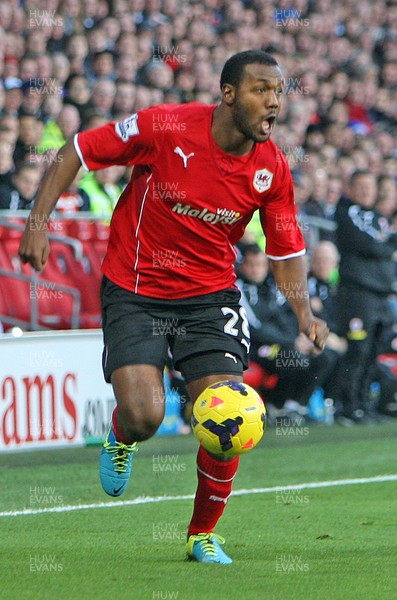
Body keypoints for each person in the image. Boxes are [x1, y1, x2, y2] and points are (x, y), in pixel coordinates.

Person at [18, 50, 328, 564]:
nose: (274, 102)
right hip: (136, 287)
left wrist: (303, 313)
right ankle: (123, 436)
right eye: (261, 90)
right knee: (145, 416)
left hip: (210, 296)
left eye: (278, 92)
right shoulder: (166, 126)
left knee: (228, 415)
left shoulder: (271, 167)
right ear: (228, 94)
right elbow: (77, 148)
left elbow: (286, 249)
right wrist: (37, 222)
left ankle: (201, 534)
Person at [334, 169, 397, 424]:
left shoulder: (378, 218)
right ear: (350, 188)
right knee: (357, 351)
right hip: (359, 295)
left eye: (369, 186)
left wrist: (387, 243)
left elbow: (383, 245)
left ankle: (363, 404)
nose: (365, 191)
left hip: (381, 296)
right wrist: (389, 244)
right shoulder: (347, 213)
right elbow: (372, 245)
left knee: (374, 351)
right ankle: (347, 406)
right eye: (360, 186)